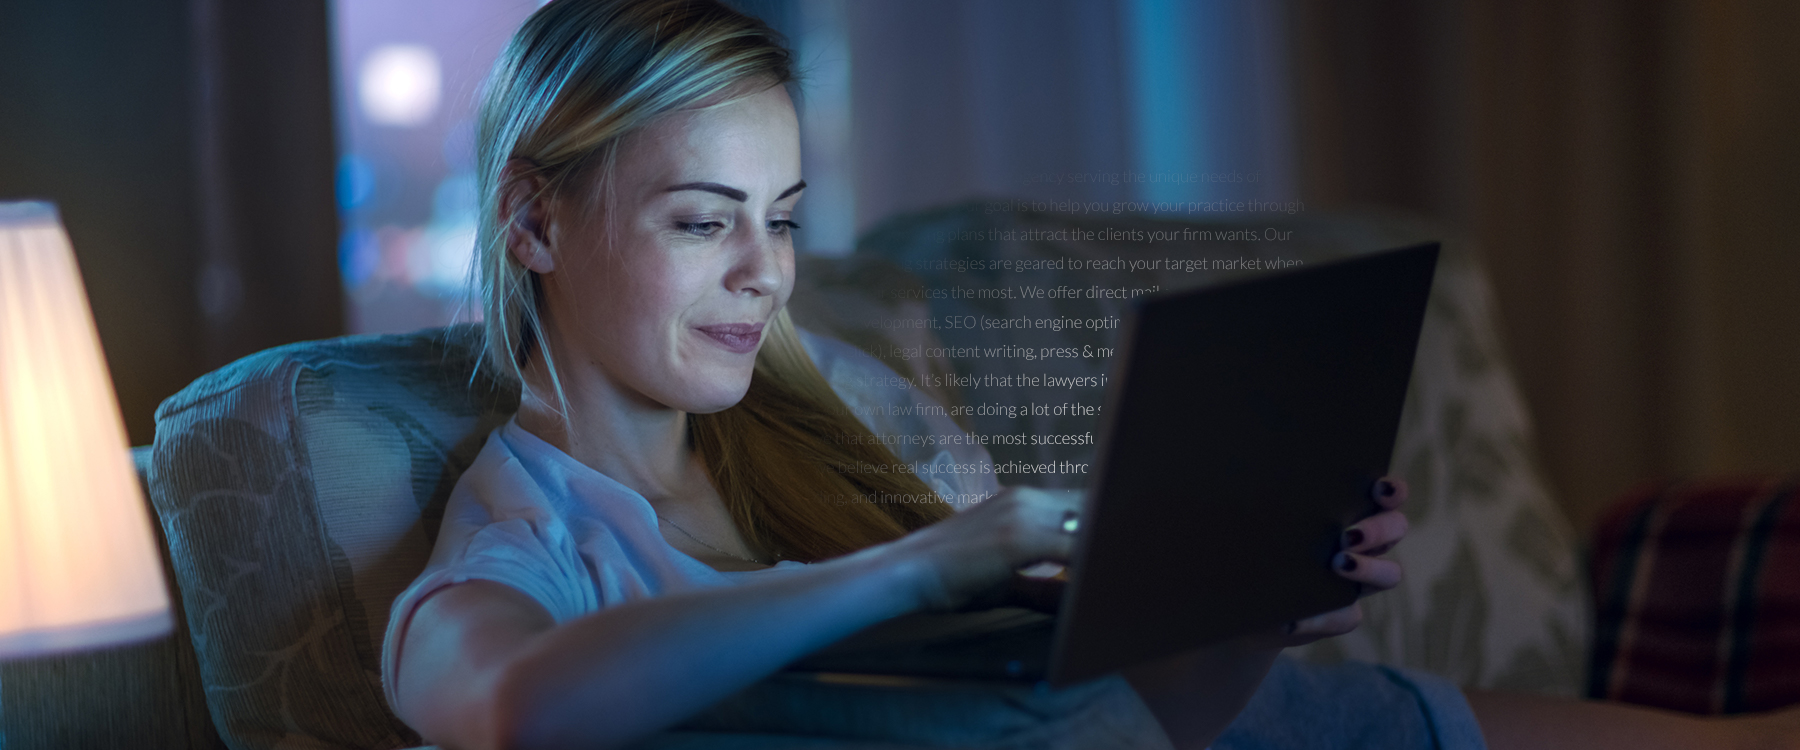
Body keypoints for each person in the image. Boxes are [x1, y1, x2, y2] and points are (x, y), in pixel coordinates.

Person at [381, 1, 1800, 748]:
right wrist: (920, 568)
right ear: (532, 218)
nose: (767, 270)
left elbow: (1141, 721)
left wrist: (1249, 601)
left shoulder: (850, 417)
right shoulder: (529, 529)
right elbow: (507, 707)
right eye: (705, 219)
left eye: (786, 217)